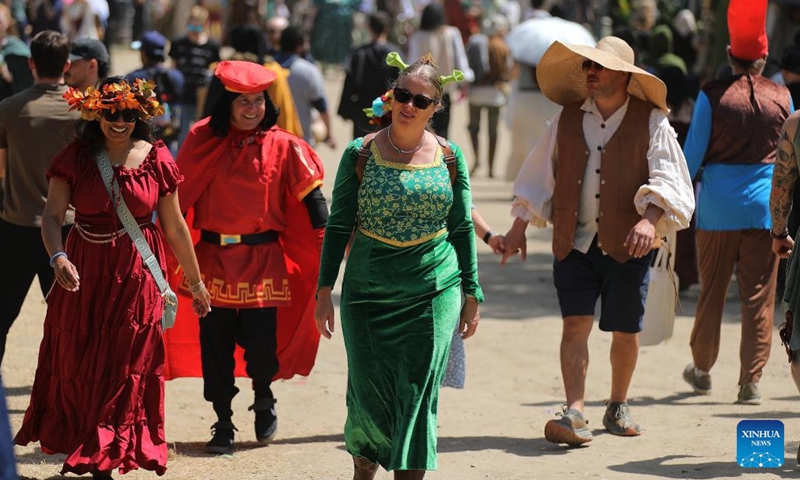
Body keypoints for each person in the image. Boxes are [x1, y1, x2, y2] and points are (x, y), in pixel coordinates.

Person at [14, 76, 211, 478]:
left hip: (137, 274)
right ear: (96, 114)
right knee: (83, 359)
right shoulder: (74, 157)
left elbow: (174, 226)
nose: (118, 121)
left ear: (140, 115)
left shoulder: (157, 157)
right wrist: (57, 256)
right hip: (83, 271)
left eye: (126, 114)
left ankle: (108, 449)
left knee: (126, 362)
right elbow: (52, 219)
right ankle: (92, 438)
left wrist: (196, 282)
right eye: (110, 113)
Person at [501, 36, 694, 446]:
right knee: (575, 325)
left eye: (599, 67)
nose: (590, 73)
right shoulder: (566, 119)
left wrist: (650, 221)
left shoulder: (652, 121)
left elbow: (670, 179)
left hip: (631, 244)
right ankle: (575, 411)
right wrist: (518, 228)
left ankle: (618, 404)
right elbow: (539, 176)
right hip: (574, 242)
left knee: (625, 331)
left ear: (623, 76)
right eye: (588, 66)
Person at [315, 52, 483, 479]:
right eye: (403, 95)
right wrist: (323, 292)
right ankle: (364, 467)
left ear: (436, 108)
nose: (409, 105)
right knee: (367, 394)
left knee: (417, 393)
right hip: (367, 291)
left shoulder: (449, 156)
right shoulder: (362, 152)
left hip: (433, 290)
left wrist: (471, 292)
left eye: (421, 100)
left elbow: (462, 226)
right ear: (390, 97)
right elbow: (338, 226)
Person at [172, 60, 327, 454]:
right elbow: (172, 200)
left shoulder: (283, 144)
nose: (252, 108)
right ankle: (222, 422)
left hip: (262, 261)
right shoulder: (200, 138)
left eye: (258, 101)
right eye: (243, 101)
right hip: (211, 260)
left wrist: (327, 237)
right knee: (215, 347)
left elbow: (312, 196)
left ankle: (263, 396)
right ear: (226, 103)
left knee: (261, 348)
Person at [681, 0, 792, 406]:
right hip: (765, 210)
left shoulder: (712, 96)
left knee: (712, 290)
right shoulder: (783, 97)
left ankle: (703, 370)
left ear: (729, 55)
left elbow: (691, 159)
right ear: (763, 58)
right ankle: (751, 381)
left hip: (716, 211)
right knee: (759, 297)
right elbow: (790, 159)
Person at [0, 30, 80, 367]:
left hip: (16, 225)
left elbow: (1, 170)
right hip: (68, 230)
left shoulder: (8, 109)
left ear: (31, 63)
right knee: (74, 324)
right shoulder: (84, 111)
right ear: (69, 65)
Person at [407, 3, 473, 138]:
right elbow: (460, 59)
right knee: (443, 130)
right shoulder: (451, 33)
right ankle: (441, 156)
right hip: (444, 89)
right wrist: (465, 80)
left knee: (423, 128)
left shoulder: (417, 36)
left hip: (422, 91)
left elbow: (411, 63)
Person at [338, 12, 400, 139]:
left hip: (363, 108)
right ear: (387, 29)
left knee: (361, 147)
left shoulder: (359, 53)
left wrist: (344, 109)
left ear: (370, 28)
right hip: (387, 109)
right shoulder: (394, 54)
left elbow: (349, 82)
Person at [465, 14, 511, 177]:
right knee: (493, 131)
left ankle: (477, 159)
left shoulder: (476, 42)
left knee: (474, 128)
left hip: (476, 93)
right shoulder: (502, 46)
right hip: (495, 94)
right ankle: (491, 168)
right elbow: (507, 71)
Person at [168, 5, 221, 146]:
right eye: (191, 27)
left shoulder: (212, 47)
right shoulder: (178, 44)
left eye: (197, 28)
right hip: (182, 97)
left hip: (203, 99)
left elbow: (215, 70)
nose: (194, 32)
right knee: (182, 135)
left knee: (201, 134)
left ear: (205, 25)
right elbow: (172, 70)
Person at [126, 30, 185, 152]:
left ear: (143, 53)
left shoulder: (133, 79)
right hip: (167, 140)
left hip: (139, 142)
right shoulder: (177, 77)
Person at [278, 25, 335, 148]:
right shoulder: (308, 70)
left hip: (272, 140)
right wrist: (329, 134)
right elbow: (322, 106)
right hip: (301, 141)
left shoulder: (268, 68)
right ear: (299, 46)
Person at [0, 3, 34, 102]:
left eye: (0, 22)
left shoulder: (18, 49)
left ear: (8, 22)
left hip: (9, 102)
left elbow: (25, 83)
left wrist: (8, 76)